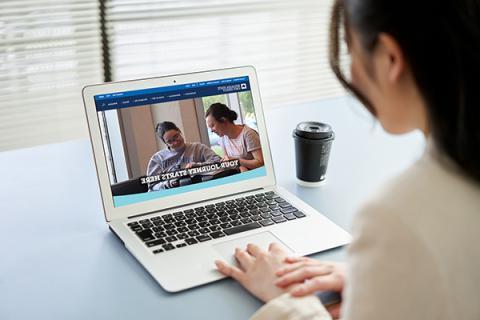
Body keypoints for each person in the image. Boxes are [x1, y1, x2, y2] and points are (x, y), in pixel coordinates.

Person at [214, 0, 480, 319]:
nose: (351, 70)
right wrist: (381, 280)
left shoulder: (395, 217)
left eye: (349, 49)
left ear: (390, 58)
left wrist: (287, 298)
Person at [146, 121, 221, 191]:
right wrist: (169, 184)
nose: (175, 142)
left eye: (176, 136)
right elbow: (152, 186)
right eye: (170, 141)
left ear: (179, 131)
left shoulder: (198, 148)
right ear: (165, 143)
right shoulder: (158, 159)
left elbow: (218, 161)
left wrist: (199, 166)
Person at [205, 103, 264, 172]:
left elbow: (260, 163)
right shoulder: (223, 138)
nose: (211, 131)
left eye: (212, 125)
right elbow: (229, 163)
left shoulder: (248, 135)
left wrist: (238, 161)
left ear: (223, 120)